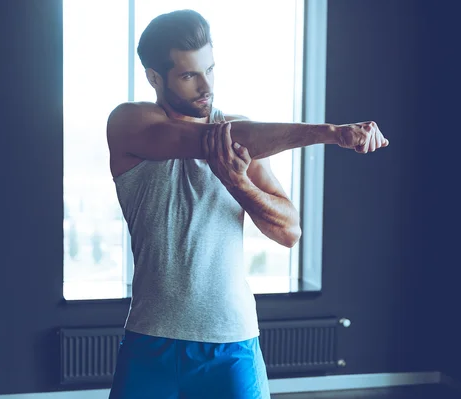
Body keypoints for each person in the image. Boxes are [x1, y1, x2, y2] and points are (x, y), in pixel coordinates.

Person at [106, 9, 389, 399]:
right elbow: (210, 140)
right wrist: (332, 133)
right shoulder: (130, 123)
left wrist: (239, 183)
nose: (206, 86)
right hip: (150, 341)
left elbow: (290, 232)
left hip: (231, 341)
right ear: (155, 77)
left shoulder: (244, 138)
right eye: (189, 75)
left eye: (210, 69)